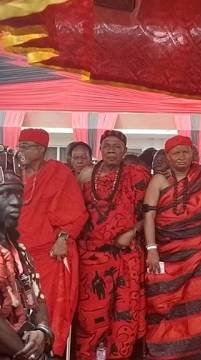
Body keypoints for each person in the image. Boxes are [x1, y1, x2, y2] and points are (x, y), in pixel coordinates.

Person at [142, 135, 201, 359]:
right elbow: (148, 217)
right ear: (168, 156)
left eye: (185, 152)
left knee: (198, 302)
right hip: (166, 253)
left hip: (199, 251)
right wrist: (151, 249)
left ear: (193, 154)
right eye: (176, 153)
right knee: (163, 303)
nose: (181, 157)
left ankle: (198, 352)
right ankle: (164, 351)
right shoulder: (159, 180)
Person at [74, 130, 149, 360]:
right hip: (93, 256)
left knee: (124, 312)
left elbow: (150, 212)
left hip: (126, 254)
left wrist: (132, 232)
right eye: (107, 146)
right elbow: (75, 212)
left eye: (117, 146)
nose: (111, 150)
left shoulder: (138, 175)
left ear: (125, 150)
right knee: (90, 314)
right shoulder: (85, 176)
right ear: (100, 149)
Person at [16, 128, 88, 357]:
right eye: (20, 145)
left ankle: (49, 350)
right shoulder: (11, 173)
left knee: (49, 307)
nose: (21, 150)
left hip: (47, 255)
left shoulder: (59, 173)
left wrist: (64, 237)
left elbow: (74, 212)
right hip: (15, 253)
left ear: (42, 149)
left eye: (26, 146)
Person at [0, 165, 54, 360]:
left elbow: (37, 299)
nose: (16, 202)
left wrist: (42, 330)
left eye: (19, 195)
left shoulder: (19, 251)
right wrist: (30, 355)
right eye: (6, 194)